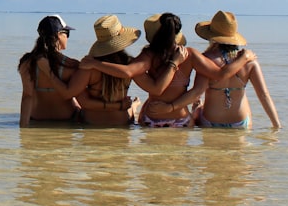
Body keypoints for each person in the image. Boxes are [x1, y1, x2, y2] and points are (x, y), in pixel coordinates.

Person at [86, 13, 256, 128]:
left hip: (150, 119)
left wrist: (95, 64)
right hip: (181, 120)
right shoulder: (189, 55)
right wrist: (244, 58)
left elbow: (128, 71)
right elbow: (220, 74)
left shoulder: (148, 55)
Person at [155, 11, 281, 129]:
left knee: (198, 109)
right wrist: (277, 126)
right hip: (240, 122)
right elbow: (264, 95)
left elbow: (196, 93)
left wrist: (171, 107)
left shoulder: (206, 60)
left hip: (210, 121)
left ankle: (197, 110)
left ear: (212, 36)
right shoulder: (249, 61)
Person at [66, 15, 185, 124]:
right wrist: (173, 63)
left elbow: (83, 102)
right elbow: (156, 89)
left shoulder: (88, 67)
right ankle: (135, 105)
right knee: (133, 107)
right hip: (121, 123)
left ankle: (134, 105)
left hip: (90, 123)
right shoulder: (130, 64)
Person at [18, 15, 82, 126]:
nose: (67, 37)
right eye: (67, 33)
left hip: (37, 118)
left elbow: (27, 96)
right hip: (67, 118)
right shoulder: (70, 65)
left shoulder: (27, 63)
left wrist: (22, 130)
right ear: (59, 35)